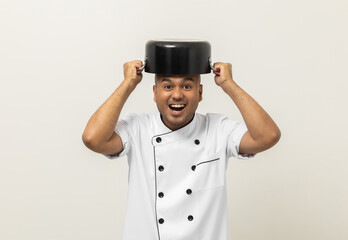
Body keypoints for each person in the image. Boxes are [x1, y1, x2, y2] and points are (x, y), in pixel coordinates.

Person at [82, 60, 281, 240]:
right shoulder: (138, 128)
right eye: (167, 86)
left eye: (187, 86)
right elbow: (93, 139)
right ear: (155, 93)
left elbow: (268, 136)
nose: (177, 95)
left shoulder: (218, 129)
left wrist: (229, 84)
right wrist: (128, 84)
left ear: (200, 93)